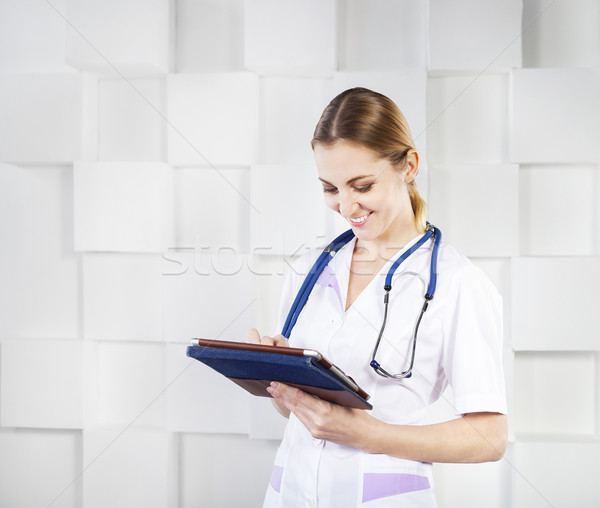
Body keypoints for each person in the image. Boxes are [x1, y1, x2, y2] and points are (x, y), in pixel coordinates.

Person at [248, 87, 507, 507]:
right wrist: (283, 383)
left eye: (362, 185)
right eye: (330, 188)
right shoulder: (308, 270)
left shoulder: (457, 283)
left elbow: (490, 438)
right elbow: (304, 418)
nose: (346, 206)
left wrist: (368, 434)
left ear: (409, 166)